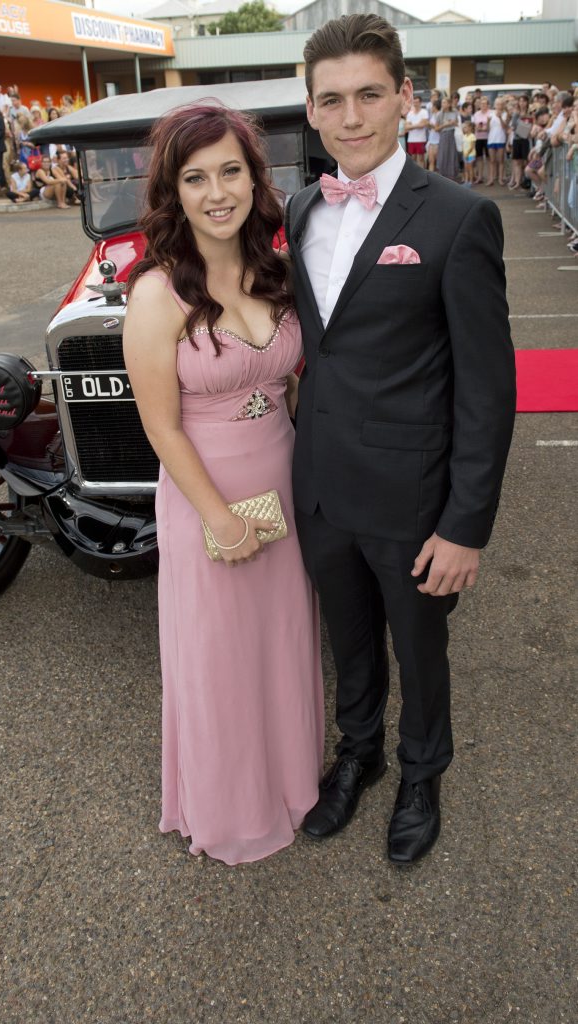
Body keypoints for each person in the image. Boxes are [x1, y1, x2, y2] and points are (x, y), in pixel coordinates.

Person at [285, 14, 516, 865]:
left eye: (369, 95)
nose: (351, 117)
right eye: (332, 100)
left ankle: (422, 772)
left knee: (419, 651)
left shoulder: (459, 217)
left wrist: (465, 526)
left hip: (412, 501)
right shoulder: (299, 205)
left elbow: (489, 390)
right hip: (318, 488)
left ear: (404, 98)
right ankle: (360, 756)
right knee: (346, 644)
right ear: (310, 111)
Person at [122, 103, 324, 865]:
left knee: (280, 643)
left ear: (253, 177)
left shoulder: (275, 271)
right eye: (195, 177)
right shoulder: (155, 294)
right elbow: (160, 426)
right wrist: (223, 521)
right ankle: (231, 807)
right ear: (174, 191)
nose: (216, 192)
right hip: (206, 499)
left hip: (281, 483)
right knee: (220, 658)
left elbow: (297, 388)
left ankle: (292, 783)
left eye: (230, 172)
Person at [435, 95, 460, 181]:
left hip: (453, 135)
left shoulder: (455, 112)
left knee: (452, 154)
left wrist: (453, 123)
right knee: (443, 154)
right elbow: (436, 129)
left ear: (449, 104)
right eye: (442, 102)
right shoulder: (439, 114)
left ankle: (452, 175)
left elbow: (458, 124)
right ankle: (443, 175)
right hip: (444, 135)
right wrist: (446, 125)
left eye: (444, 102)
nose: (443, 104)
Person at [405, 94, 428, 166]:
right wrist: (418, 125)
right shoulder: (410, 113)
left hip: (421, 139)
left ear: (420, 103)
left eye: (417, 102)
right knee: (413, 159)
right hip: (411, 140)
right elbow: (406, 127)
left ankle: (422, 176)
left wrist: (411, 126)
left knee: (421, 159)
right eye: (414, 102)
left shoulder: (424, 112)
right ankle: (414, 176)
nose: (415, 104)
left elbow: (423, 125)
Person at [461, 120, 476, 186]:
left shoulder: (472, 136)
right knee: (466, 169)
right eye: (464, 127)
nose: (464, 129)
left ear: (470, 128)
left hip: (471, 155)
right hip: (465, 155)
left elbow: (472, 147)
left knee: (470, 168)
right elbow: (463, 145)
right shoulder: (464, 136)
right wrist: (464, 153)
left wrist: (467, 153)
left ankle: (471, 182)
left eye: (465, 127)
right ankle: (466, 181)